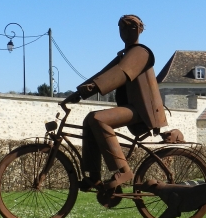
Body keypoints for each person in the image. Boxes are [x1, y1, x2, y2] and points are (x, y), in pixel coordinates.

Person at [62, 15, 168, 200]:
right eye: (123, 28)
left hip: (143, 110)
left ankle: (124, 171)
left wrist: (92, 88)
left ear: (140, 30)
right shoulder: (125, 54)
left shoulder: (141, 53)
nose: (127, 32)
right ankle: (94, 177)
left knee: (98, 118)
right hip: (133, 107)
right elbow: (103, 74)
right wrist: (78, 92)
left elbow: (120, 74)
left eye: (132, 28)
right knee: (90, 119)